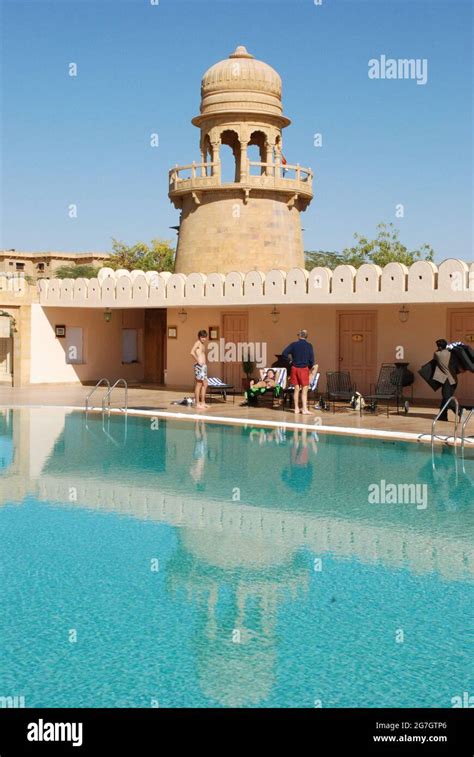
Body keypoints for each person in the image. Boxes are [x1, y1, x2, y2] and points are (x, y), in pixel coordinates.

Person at [282, 329, 315, 414]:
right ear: (306, 336)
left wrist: (290, 361)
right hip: (304, 369)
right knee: (304, 389)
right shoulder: (309, 346)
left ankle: (296, 408)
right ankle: (304, 409)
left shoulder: (294, 345)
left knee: (296, 389)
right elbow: (311, 359)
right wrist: (310, 367)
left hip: (294, 368)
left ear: (299, 336)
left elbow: (284, 353)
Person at [433, 339, 457, 421]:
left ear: (439, 347)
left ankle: (460, 411)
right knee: (445, 398)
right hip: (454, 380)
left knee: (447, 398)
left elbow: (434, 361)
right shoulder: (452, 353)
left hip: (447, 380)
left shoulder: (437, 354)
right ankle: (442, 416)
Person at [190, 330, 210, 410]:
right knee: (199, 384)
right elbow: (191, 352)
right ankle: (198, 403)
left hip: (203, 367)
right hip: (199, 366)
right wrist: (198, 361)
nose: (203, 339)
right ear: (199, 337)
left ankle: (203, 402)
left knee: (205, 384)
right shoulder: (197, 343)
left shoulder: (202, 344)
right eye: (202, 337)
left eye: (205, 337)